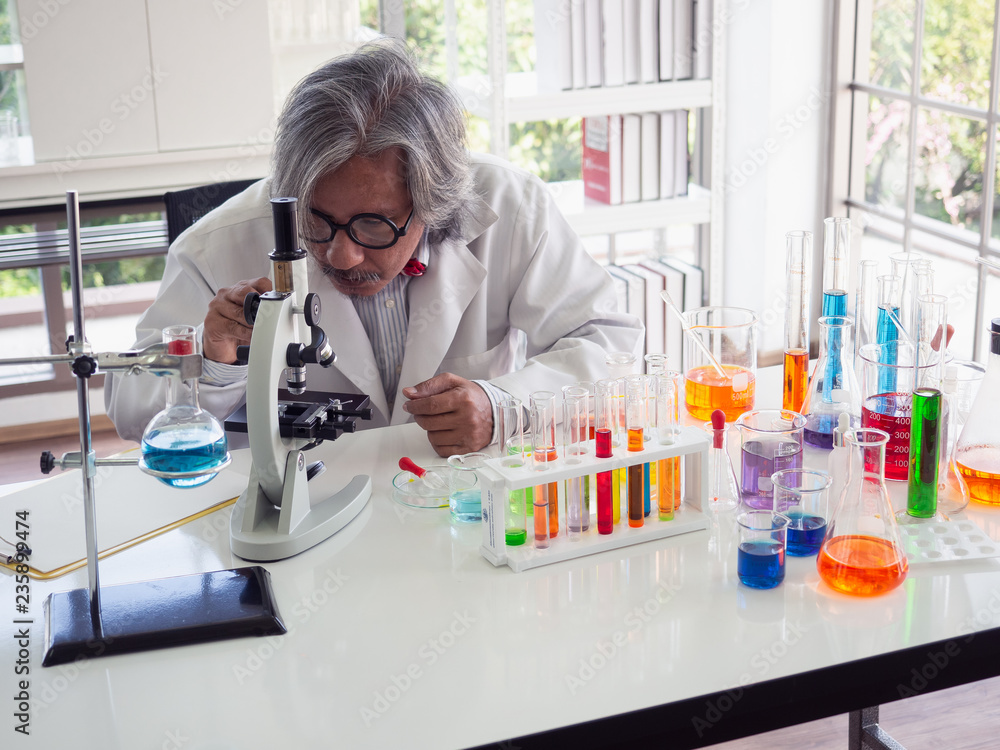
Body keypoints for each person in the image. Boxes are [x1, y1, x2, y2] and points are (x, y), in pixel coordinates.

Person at [106, 38, 643, 456]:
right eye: (317, 221)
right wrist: (213, 357)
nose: (341, 257)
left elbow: (611, 346)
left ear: (433, 204)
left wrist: (503, 406)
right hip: (300, 513)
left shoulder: (512, 207)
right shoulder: (214, 248)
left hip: (460, 501)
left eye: (374, 226)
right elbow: (131, 411)